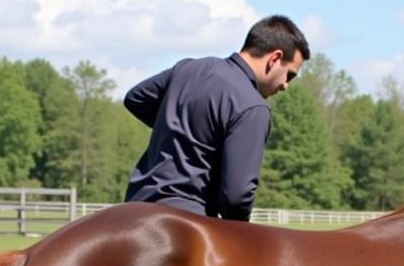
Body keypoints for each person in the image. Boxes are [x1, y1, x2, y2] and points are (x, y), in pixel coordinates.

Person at [123, 14, 310, 220]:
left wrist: (177, 131)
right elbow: (235, 199)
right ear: (274, 58)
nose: (285, 86)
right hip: (187, 218)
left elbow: (136, 98)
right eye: (289, 75)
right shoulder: (252, 107)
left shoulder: (188, 69)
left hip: (135, 206)